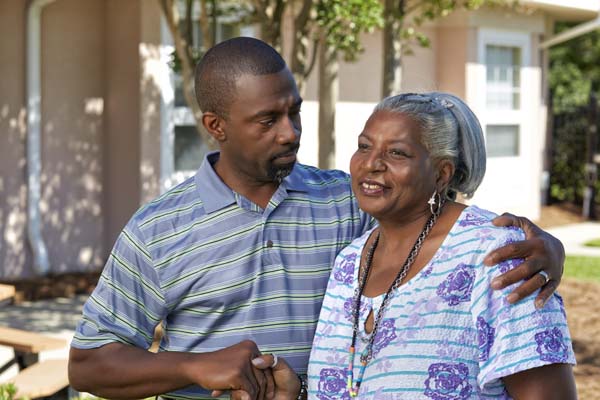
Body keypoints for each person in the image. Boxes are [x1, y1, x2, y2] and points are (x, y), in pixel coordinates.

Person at [68, 38, 566, 400]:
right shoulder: (158, 229)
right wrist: (198, 367)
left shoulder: (346, 201)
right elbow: (89, 365)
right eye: (268, 120)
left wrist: (547, 249)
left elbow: (437, 220)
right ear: (216, 127)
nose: (289, 133)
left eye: (295, 113)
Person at [256, 92, 577, 399]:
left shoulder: (494, 253)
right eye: (364, 147)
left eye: (397, 152)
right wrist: (297, 394)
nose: (372, 163)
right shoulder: (349, 262)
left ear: (441, 174)